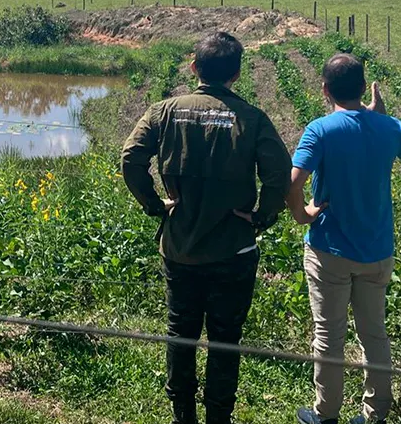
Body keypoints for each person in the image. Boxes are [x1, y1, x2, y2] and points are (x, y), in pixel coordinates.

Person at [121, 31, 292, 424]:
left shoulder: (163, 111)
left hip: (179, 249)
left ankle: (183, 414)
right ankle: (219, 417)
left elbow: (131, 158)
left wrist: (154, 205)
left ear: (194, 67)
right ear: (237, 73)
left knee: (179, 333)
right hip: (234, 251)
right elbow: (279, 173)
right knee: (225, 340)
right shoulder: (252, 118)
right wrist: (263, 216)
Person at [289, 53, 401, 424]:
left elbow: (294, 181)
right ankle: (374, 413)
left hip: (329, 248)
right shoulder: (389, 127)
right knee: (374, 334)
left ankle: (326, 415)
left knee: (329, 335)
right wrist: (381, 119)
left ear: (324, 90)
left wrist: (304, 215)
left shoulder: (320, 130)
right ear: (365, 88)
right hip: (377, 250)